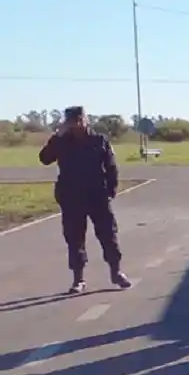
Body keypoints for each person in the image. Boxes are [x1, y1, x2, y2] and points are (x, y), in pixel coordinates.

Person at [38, 106, 132, 294]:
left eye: (81, 119)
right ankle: (78, 280)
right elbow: (45, 158)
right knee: (74, 238)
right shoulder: (62, 141)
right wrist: (58, 136)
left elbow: (111, 166)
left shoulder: (99, 140)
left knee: (108, 235)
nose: (78, 124)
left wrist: (111, 190)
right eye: (73, 121)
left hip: (97, 196)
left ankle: (116, 272)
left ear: (86, 119)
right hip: (72, 197)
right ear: (68, 123)